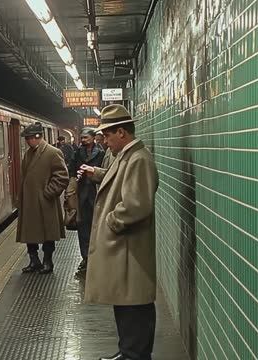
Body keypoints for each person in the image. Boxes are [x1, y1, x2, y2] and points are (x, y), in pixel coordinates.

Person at [78, 104, 159, 360]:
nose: (105, 141)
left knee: (134, 305)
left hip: (129, 249)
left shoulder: (138, 159)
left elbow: (137, 205)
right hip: (125, 249)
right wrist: (96, 174)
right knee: (125, 303)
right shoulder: (126, 156)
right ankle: (127, 352)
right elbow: (117, 178)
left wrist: (111, 221)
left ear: (121, 132)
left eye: (108, 136)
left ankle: (134, 354)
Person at [16, 122, 69, 274]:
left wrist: (48, 193)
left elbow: (62, 176)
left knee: (48, 234)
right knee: (29, 233)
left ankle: (48, 261)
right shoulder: (29, 153)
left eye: (29, 138)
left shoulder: (53, 152)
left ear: (37, 137)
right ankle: (34, 261)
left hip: (45, 202)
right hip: (29, 202)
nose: (27, 141)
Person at [72, 127, 105, 274]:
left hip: (96, 195)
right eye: (82, 138)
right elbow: (71, 171)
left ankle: (97, 258)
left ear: (93, 138)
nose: (83, 140)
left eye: (86, 137)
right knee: (83, 229)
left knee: (97, 228)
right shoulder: (77, 153)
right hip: (82, 196)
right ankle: (85, 258)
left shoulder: (102, 153)